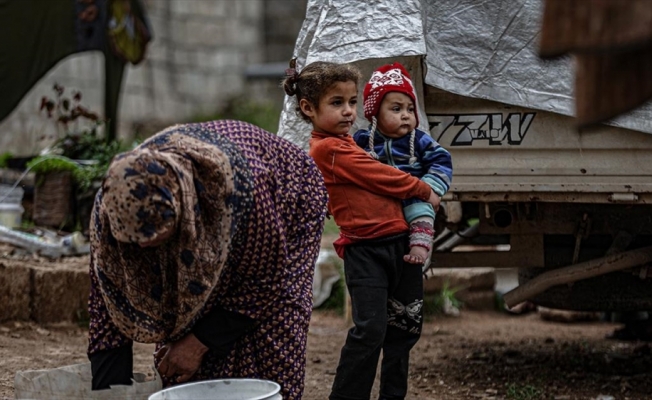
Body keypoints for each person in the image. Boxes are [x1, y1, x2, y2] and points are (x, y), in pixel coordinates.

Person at [86, 120, 328, 400]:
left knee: (271, 329)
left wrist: (198, 344)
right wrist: (109, 394)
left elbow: (265, 280)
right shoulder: (111, 213)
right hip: (217, 214)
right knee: (186, 350)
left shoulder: (243, 190)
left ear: (182, 208)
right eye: (135, 240)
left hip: (287, 198)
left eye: (157, 236)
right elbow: (106, 312)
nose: (144, 246)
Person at [283, 60, 441, 400]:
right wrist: (421, 188)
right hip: (365, 251)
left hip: (400, 244)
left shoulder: (349, 141)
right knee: (370, 329)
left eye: (353, 102)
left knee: (403, 331)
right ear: (308, 108)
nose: (348, 112)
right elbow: (378, 174)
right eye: (336, 103)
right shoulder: (328, 148)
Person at [354, 62, 453, 267]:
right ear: (375, 113)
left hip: (413, 193)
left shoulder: (419, 140)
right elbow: (350, 164)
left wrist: (429, 187)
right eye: (396, 109)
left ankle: (421, 246)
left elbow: (441, 160)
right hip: (380, 198)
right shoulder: (362, 140)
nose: (406, 115)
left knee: (420, 211)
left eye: (410, 109)